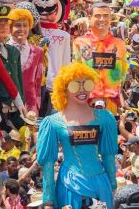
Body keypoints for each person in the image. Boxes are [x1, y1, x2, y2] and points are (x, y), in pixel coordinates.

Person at [37, 62, 117, 208]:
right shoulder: (52, 123)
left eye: (86, 84)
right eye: (75, 85)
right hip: (70, 186)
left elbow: (108, 156)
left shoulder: (105, 118)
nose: (82, 89)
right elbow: (48, 164)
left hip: (101, 185)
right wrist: (48, 200)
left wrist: (113, 186)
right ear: (64, 89)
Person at [72, 2, 127, 115]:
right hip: (86, 102)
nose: (102, 19)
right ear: (89, 18)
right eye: (98, 15)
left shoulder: (119, 44)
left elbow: (122, 75)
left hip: (111, 104)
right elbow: (75, 73)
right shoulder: (79, 43)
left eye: (106, 15)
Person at [7, 9, 44, 114]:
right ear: (10, 27)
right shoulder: (2, 51)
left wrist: (37, 105)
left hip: (30, 106)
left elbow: (38, 82)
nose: (22, 29)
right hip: (9, 105)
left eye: (25, 25)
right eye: (17, 25)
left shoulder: (38, 52)